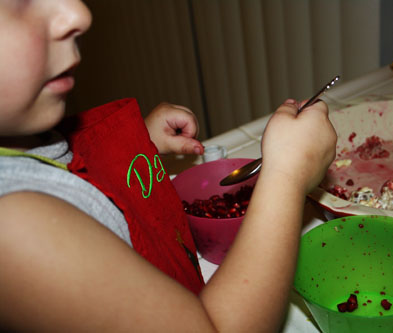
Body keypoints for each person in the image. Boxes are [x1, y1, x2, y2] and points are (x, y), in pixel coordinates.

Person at [0, 0, 337, 331]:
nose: (79, 14)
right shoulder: (14, 230)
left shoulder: (21, 137)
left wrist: (136, 146)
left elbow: (65, 169)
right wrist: (286, 175)